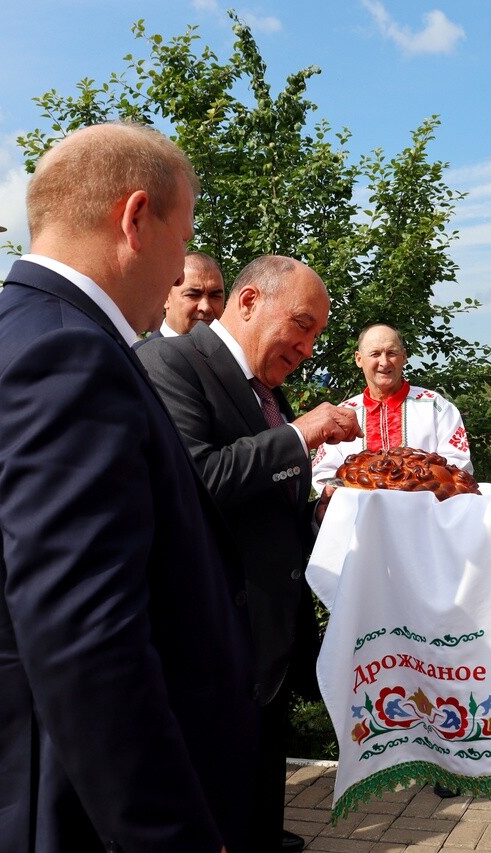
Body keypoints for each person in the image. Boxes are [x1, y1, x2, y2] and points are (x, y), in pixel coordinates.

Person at [0, 122, 260, 851]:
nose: (182, 269)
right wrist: (170, 833)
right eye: (185, 235)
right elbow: (85, 636)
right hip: (76, 814)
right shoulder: (65, 351)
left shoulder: (5, 329)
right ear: (135, 218)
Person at [137, 254, 361, 853]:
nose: (309, 347)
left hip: (265, 640)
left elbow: (263, 491)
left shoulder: (263, 388)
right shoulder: (169, 363)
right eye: (302, 325)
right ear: (249, 302)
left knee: (256, 800)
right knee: (208, 806)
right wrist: (302, 434)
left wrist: (315, 510)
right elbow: (198, 479)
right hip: (207, 639)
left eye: (316, 333)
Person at [311, 322, 473, 487]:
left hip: (424, 509)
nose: (384, 362)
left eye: (391, 353)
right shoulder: (342, 413)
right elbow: (323, 473)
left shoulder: (436, 406)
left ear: (404, 356)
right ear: (359, 359)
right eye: (375, 354)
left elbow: (458, 468)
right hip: (361, 510)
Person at [138, 249, 226, 344]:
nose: (206, 307)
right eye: (193, 295)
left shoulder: (235, 356)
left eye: (215, 296)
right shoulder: (139, 356)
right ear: (166, 298)